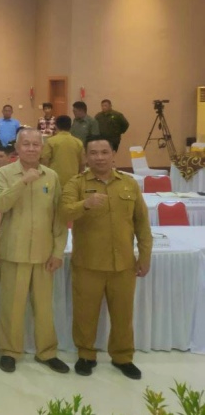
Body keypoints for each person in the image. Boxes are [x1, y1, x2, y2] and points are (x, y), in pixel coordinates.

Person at [59, 135, 152, 380]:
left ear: (113, 155)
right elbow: (63, 210)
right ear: (86, 157)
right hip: (88, 263)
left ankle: (122, 357)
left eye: (104, 152)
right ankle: (86, 355)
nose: (99, 157)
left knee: (123, 314)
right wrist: (85, 204)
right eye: (94, 153)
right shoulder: (76, 183)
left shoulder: (129, 184)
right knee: (85, 313)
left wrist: (145, 256)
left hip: (123, 264)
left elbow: (142, 223)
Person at [0, 128, 68, 374]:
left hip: (44, 254)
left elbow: (59, 217)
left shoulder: (52, 176)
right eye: (26, 144)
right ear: (17, 147)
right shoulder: (4, 173)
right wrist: (22, 181)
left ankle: (47, 352)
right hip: (13, 251)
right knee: (11, 308)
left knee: (45, 309)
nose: (32, 148)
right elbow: (0, 204)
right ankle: (9, 351)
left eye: (36, 144)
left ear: (42, 148)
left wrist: (58, 251)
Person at [40, 115, 84, 186]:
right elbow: (82, 164)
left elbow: (45, 162)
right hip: (73, 181)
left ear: (56, 126)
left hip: (54, 180)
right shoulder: (78, 142)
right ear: (70, 126)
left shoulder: (51, 141)